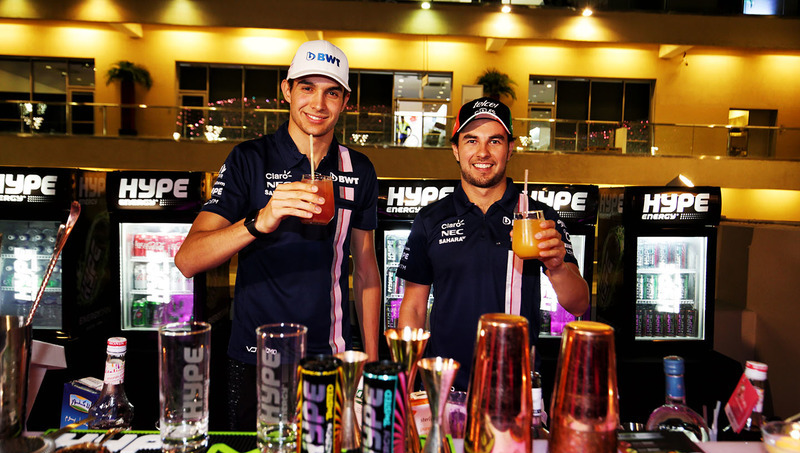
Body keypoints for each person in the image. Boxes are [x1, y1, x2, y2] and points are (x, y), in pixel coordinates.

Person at [175, 40, 381, 429]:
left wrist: (369, 360)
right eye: (307, 88)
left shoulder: (359, 169)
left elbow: (367, 271)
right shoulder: (248, 159)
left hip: (331, 358)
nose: (319, 104)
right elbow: (188, 260)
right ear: (286, 90)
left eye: (331, 92)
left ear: (345, 101)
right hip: (256, 357)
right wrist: (260, 221)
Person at [396, 97, 589, 391]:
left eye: (495, 141)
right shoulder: (430, 219)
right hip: (443, 387)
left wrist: (558, 266)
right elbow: (413, 307)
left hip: (517, 388)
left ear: (510, 149)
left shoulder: (538, 217)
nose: (482, 152)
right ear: (456, 150)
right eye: (471, 140)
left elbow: (579, 304)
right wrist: (407, 380)